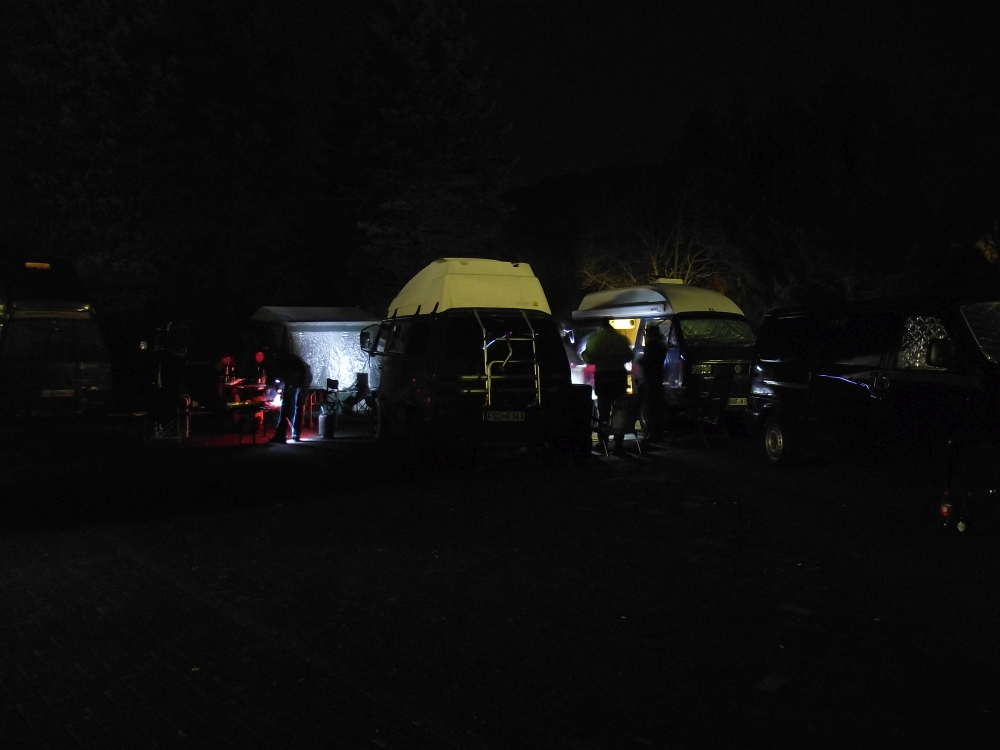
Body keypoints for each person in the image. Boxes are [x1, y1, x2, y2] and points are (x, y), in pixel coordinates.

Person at [581, 319, 634, 456]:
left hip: (603, 380)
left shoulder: (596, 340)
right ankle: (618, 444)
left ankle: (603, 442)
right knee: (620, 412)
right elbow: (629, 356)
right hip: (619, 379)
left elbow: (588, 358)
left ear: (601, 326)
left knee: (603, 412)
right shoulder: (621, 339)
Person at [269, 352, 312, 443]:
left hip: (302, 378)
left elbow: (283, 381)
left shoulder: (283, 366)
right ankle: (293, 434)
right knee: (294, 405)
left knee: (289, 405)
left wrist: (279, 388)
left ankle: (282, 435)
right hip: (302, 376)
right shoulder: (285, 363)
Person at [639, 323, 668, 445]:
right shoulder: (661, 345)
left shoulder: (652, 345)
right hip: (658, 379)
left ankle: (653, 433)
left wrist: (640, 361)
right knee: (658, 407)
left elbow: (647, 362)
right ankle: (657, 433)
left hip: (652, 380)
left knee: (652, 407)